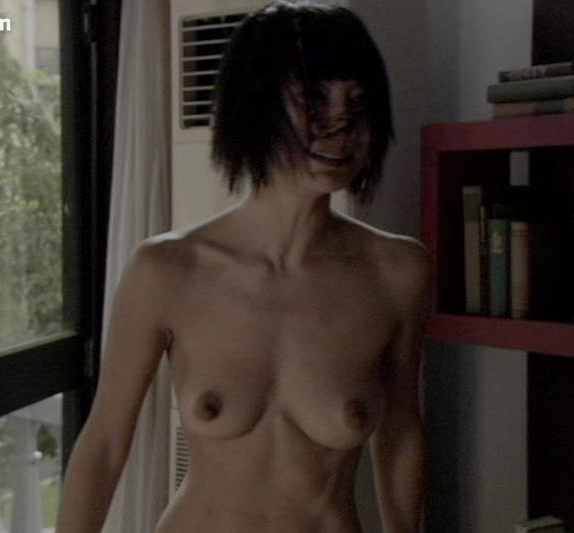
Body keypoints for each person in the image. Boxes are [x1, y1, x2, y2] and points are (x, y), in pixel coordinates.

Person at [56, 2, 431, 532]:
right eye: (314, 100)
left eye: (359, 102)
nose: (341, 125)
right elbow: (105, 442)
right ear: (257, 105)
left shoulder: (397, 273)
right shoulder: (166, 270)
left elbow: (401, 431)